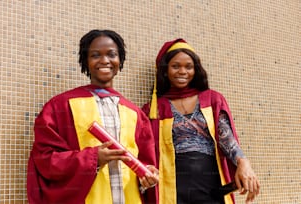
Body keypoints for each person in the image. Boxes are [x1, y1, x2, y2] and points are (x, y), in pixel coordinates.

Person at [27, 29, 158, 204]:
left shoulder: (136, 114)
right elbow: (45, 159)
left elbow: (145, 165)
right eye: (95, 55)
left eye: (112, 54)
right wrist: (93, 159)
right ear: (85, 61)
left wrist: (146, 179)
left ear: (120, 60)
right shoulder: (60, 107)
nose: (104, 60)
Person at [142, 38, 260, 204]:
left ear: (195, 69)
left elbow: (227, 139)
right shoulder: (153, 109)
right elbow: (146, 153)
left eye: (188, 66)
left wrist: (243, 162)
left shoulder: (212, 100)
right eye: (175, 66)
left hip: (211, 185)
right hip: (173, 189)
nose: (182, 71)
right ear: (165, 70)